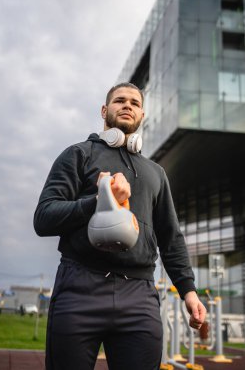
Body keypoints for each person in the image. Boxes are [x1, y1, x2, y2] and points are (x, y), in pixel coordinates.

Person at [34, 82, 206, 370]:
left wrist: (188, 291)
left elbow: (171, 237)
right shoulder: (77, 155)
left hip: (139, 294)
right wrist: (100, 199)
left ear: (141, 116)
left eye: (135, 103)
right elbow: (44, 218)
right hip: (79, 286)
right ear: (105, 110)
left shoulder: (156, 173)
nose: (127, 105)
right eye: (119, 101)